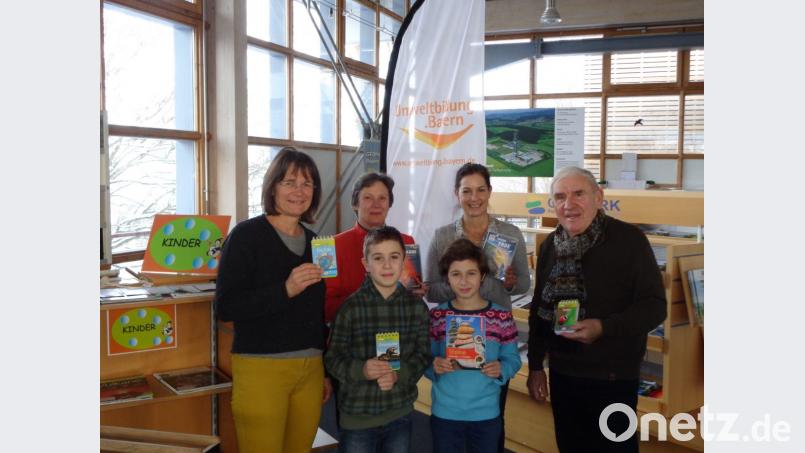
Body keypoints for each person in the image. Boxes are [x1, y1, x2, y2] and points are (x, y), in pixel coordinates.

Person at [526, 166, 666, 452]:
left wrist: (604, 327)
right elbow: (539, 309)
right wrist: (536, 365)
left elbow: (654, 307)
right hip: (564, 375)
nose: (569, 204)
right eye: (560, 196)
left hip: (613, 379)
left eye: (579, 194)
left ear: (599, 197)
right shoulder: (552, 244)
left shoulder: (629, 241)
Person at [214, 147, 331, 453]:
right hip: (261, 368)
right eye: (290, 181)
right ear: (273, 186)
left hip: (311, 371)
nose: (299, 191)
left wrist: (325, 371)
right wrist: (286, 289)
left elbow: (317, 313)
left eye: (307, 184)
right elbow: (226, 307)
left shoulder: (318, 242)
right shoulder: (245, 236)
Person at [425, 162, 530, 451]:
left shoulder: (510, 234)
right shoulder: (442, 236)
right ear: (456, 194)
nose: (474, 197)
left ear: (489, 191)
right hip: (455, 337)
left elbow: (523, 284)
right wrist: (459, 284)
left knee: (492, 419)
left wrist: (509, 283)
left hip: (496, 338)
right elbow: (432, 289)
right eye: (466, 190)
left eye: (481, 190)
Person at [324, 226, 432, 453]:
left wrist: (398, 374)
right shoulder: (350, 309)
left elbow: (423, 355)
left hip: (399, 412)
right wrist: (361, 370)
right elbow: (333, 358)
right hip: (357, 417)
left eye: (394, 257)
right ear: (366, 264)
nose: (386, 265)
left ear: (404, 261)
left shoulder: (416, 309)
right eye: (378, 258)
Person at [426, 238, 521, 453]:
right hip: (445, 413)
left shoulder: (501, 316)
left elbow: (512, 358)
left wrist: (502, 369)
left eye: (471, 273)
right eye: (455, 274)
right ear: (447, 279)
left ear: (483, 276)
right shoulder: (438, 316)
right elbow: (425, 358)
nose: (464, 281)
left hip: (486, 414)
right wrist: (434, 366)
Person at [324, 172, 420, 324]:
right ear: (355, 203)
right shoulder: (328, 248)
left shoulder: (407, 242)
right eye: (368, 197)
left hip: (398, 330)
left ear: (389, 203)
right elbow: (325, 306)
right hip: (352, 334)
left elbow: (412, 293)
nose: (376, 204)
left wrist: (417, 292)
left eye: (382, 198)